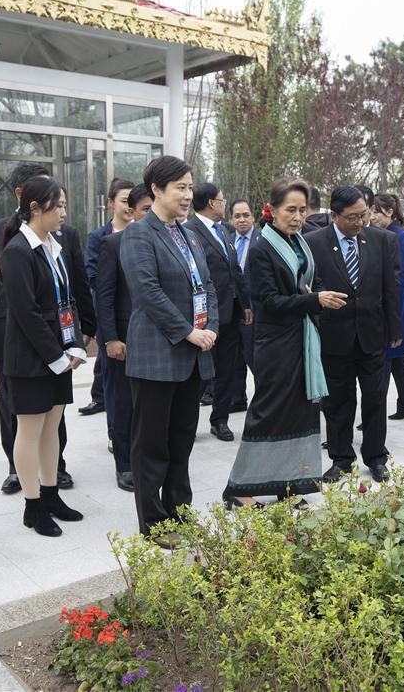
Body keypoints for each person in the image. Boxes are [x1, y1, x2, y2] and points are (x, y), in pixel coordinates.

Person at [223, 178, 347, 508]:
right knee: (268, 413)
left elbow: (310, 283)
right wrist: (313, 299)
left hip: (302, 338)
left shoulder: (299, 243)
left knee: (301, 414)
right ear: (273, 210)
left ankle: (290, 486)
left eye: (302, 210)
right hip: (276, 343)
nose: (297, 217)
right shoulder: (263, 248)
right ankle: (239, 488)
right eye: (290, 210)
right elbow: (269, 302)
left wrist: (315, 294)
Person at [0, 163, 95, 492]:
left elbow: (75, 288)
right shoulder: (3, 237)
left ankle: (54, 475)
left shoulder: (61, 239)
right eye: (58, 203)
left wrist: (81, 337)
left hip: (58, 336)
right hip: (17, 337)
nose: (63, 211)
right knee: (19, 412)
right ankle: (22, 477)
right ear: (29, 200)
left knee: (52, 418)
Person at [120, 156, 218, 548]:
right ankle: (154, 523)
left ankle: (180, 509)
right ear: (156, 190)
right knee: (151, 444)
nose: (187, 194)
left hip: (192, 355)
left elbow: (207, 285)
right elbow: (148, 293)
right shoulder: (139, 234)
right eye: (180, 187)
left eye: (190, 187)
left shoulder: (190, 234)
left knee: (182, 440)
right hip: (157, 357)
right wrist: (188, 332)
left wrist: (209, 327)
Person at [0, 178, 87, 537]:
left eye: (64, 205)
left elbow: (69, 299)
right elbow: (26, 312)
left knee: (53, 428)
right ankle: (33, 507)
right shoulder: (19, 251)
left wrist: (75, 346)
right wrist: (56, 356)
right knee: (30, 431)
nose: (63, 213)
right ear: (35, 208)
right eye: (58, 206)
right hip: (32, 357)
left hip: (60, 353)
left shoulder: (55, 246)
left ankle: (51, 496)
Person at [306, 186, 400, 483]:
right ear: (333, 215)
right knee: (337, 403)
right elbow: (308, 287)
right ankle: (341, 458)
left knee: (375, 397)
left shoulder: (383, 240)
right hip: (334, 336)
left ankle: (376, 457)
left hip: (372, 334)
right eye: (352, 217)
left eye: (364, 215)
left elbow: (391, 288)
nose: (360, 222)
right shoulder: (313, 243)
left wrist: (395, 328)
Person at [95, 184, 152, 492]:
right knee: (123, 405)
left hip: (157, 342)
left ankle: (147, 460)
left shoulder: (169, 243)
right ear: (131, 212)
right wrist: (111, 339)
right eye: (146, 208)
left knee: (149, 406)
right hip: (124, 342)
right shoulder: (113, 245)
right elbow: (104, 298)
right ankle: (125, 465)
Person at [184, 183, 251, 442]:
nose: (224, 204)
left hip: (231, 312)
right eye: (222, 200)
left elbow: (234, 271)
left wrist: (245, 304)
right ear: (212, 203)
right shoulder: (189, 231)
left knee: (227, 369)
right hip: (203, 317)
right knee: (199, 372)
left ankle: (220, 420)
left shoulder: (224, 231)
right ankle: (187, 423)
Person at [81, 179, 136, 434]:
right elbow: (93, 276)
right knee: (114, 382)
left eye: (132, 201)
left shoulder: (144, 234)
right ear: (111, 203)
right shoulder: (99, 237)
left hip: (139, 321)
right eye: (124, 200)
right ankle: (115, 432)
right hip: (111, 320)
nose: (129, 206)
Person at [371, 193, 404, 420]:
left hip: (397, 307)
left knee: (387, 361)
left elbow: (400, 281)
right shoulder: (386, 234)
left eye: (375, 212)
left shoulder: (400, 237)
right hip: (390, 306)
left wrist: (394, 320)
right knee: (395, 360)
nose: (371, 217)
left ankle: (376, 412)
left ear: (389, 212)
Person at [229, 199, 262, 411]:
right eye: (237, 216)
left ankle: (263, 401)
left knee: (255, 358)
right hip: (232, 310)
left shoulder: (262, 239)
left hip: (255, 310)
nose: (242, 220)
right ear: (231, 219)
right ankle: (237, 399)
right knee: (234, 360)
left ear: (253, 217)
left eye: (246, 215)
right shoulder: (227, 239)